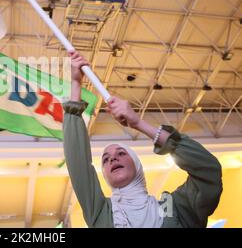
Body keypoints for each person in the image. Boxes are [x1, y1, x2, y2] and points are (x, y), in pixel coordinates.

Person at [63, 51, 223, 228]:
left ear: (138, 165)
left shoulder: (169, 206)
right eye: (106, 159)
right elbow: (77, 163)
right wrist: (76, 83)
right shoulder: (101, 211)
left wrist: (139, 123)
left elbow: (208, 171)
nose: (112, 159)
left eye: (121, 153)